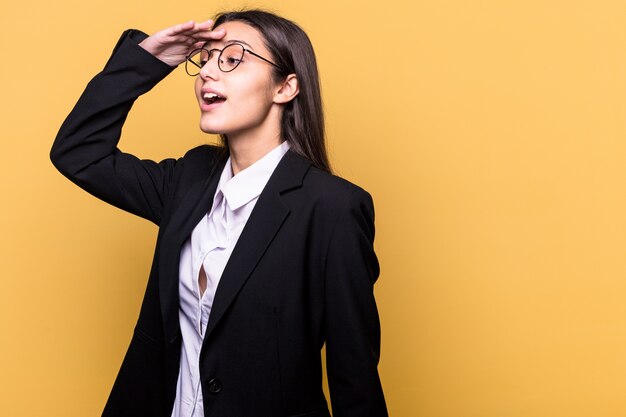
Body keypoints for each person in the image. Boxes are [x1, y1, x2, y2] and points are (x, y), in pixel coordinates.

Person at [51, 9, 387, 417]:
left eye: (232, 58)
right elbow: (79, 153)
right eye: (205, 58)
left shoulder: (332, 209)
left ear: (285, 87)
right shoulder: (189, 179)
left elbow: (356, 383)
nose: (208, 71)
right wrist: (147, 60)